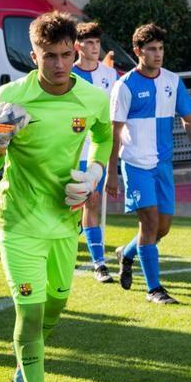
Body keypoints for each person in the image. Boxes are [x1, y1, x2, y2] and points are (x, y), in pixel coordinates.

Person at [0, 11, 112, 382]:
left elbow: (105, 136)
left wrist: (95, 173)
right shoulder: (10, 98)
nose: (58, 65)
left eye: (65, 55)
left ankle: (25, 361)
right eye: (48, 56)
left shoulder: (93, 98)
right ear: (32, 54)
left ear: (76, 51)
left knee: (56, 306)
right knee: (31, 314)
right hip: (17, 221)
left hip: (64, 222)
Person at [106, 23, 191, 303]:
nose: (158, 54)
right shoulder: (124, 86)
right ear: (138, 51)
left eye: (160, 48)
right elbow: (114, 131)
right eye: (151, 49)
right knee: (149, 223)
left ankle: (126, 253)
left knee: (162, 228)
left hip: (163, 166)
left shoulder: (173, 81)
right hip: (136, 164)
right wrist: (112, 173)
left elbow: (188, 118)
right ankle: (154, 289)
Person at [72, 21, 119, 282]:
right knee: (69, 204)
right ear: (78, 46)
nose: (94, 47)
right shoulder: (68, 73)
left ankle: (99, 263)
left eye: (97, 43)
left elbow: (113, 117)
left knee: (92, 201)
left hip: (96, 152)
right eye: (89, 43)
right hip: (70, 149)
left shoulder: (109, 75)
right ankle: (67, 249)